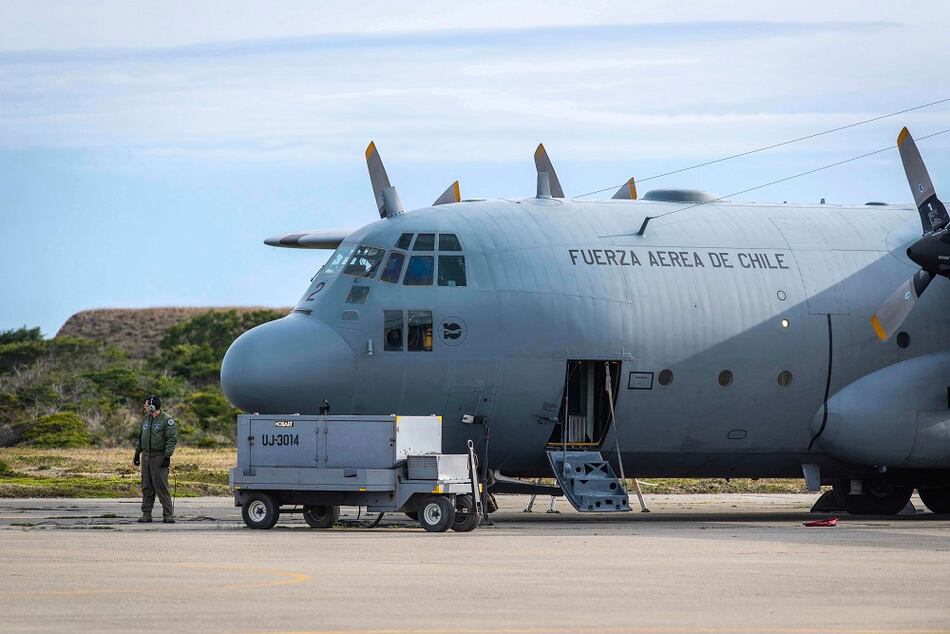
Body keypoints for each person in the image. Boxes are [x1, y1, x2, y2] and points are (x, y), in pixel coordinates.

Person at [134, 395, 178, 524]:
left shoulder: (167, 420)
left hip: (159, 457)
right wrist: (137, 453)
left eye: (146, 405)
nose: (145, 407)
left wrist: (167, 456)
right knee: (146, 486)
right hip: (146, 456)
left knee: (161, 486)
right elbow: (141, 437)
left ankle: (168, 514)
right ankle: (146, 514)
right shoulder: (146, 419)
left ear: (153, 407)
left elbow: (171, 439)